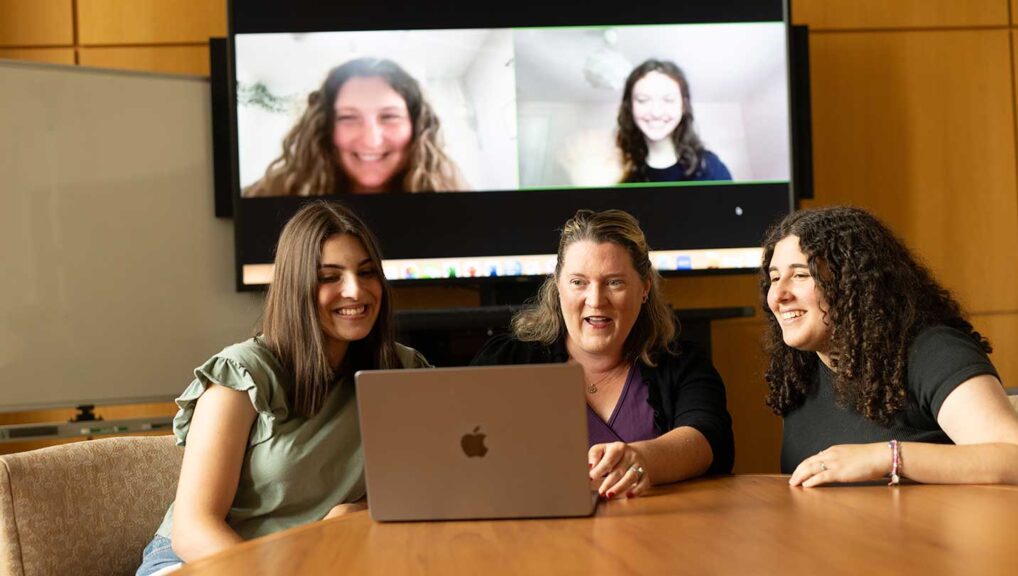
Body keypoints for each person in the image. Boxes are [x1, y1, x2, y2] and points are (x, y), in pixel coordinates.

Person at [136, 201, 430, 575]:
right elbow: (194, 531)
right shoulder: (241, 376)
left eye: (367, 272)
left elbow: (428, 487)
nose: (355, 291)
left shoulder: (402, 371)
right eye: (330, 276)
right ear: (298, 286)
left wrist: (358, 510)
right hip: (208, 561)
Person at [471, 209, 734, 499]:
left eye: (614, 282)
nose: (596, 300)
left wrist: (642, 458)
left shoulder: (682, 362)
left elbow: (710, 437)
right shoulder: (506, 360)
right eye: (578, 282)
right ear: (558, 285)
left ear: (644, 287)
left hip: (656, 535)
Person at [762, 206, 1018, 487]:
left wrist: (887, 458)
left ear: (854, 282)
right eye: (775, 278)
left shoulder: (933, 352)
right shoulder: (799, 372)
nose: (778, 295)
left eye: (800, 275)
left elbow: (1017, 458)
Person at [245, 57, 465, 197]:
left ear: (416, 126)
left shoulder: (451, 192)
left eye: (389, 116)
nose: (371, 140)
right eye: (349, 117)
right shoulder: (269, 193)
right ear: (326, 127)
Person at [616, 59, 732, 183]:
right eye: (643, 100)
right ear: (630, 107)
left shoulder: (709, 167)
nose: (656, 112)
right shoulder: (628, 183)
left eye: (668, 100)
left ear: (683, 106)